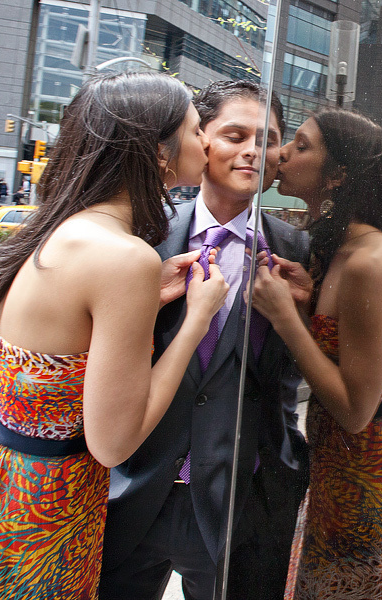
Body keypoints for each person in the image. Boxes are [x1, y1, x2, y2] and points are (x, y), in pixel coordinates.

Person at [0, 71, 228, 599]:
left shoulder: (65, 226)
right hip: (30, 516)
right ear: (157, 152)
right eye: (194, 130)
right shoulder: (125, 258)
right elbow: (113, 442)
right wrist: (196, 320)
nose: (206, 141)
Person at [100, 80, 309, 600]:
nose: (252, 152)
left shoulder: (298, 252)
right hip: (136, 490)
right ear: (201, 141)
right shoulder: (140, 236)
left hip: (244, 498)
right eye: (234, 134)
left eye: (268, 139)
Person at [251, 108, 382, 599]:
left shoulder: (370, 262)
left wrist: (286, 320)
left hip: (369, 470)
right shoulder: (341, 248)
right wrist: (306, 309)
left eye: (301, 146)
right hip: (340, 462)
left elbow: (354, 409)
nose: (283, 153)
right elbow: (339, 358)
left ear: (339, 176)